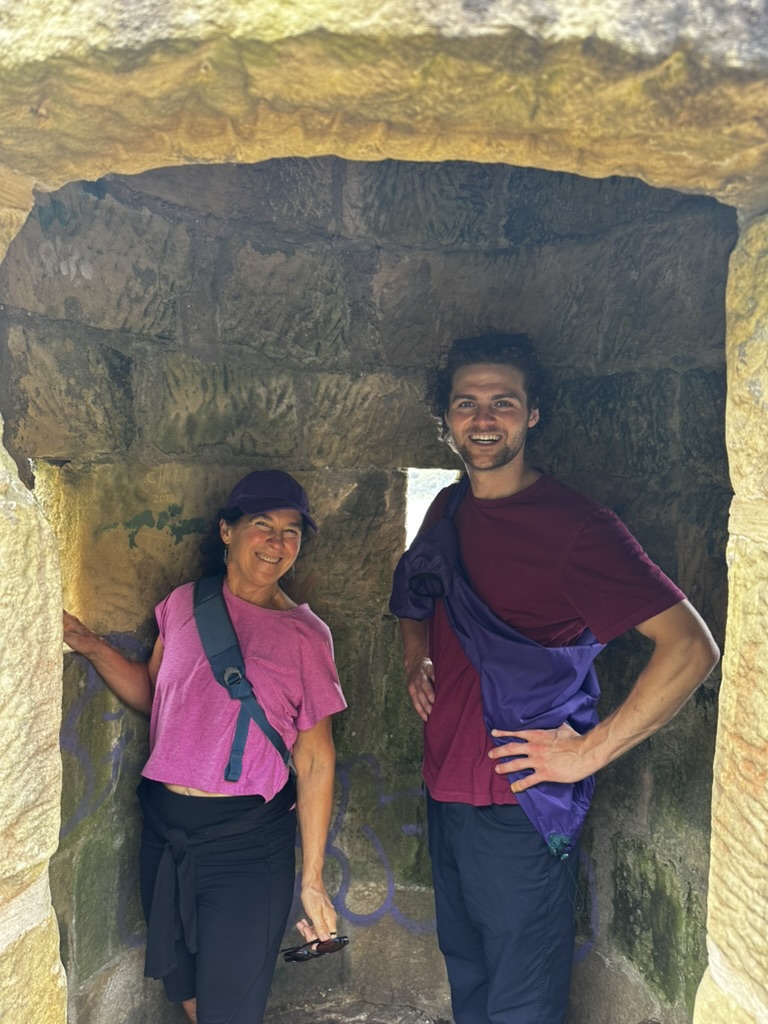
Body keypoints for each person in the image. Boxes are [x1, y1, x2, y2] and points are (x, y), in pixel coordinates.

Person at [389, 333, 719, 1024]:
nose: (484, 419)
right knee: (467, 972)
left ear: (532, 414)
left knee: (521, 999)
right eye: (467, 403)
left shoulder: (578, 528)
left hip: (521, 803)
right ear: (446, 417)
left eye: (503, 402)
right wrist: (417, 654)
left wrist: (588, 752)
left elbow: (690, 648)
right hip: (446, 783)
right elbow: (418, 589)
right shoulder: (448, 507)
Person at [63, 469, 347, 1024]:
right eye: (262, 524)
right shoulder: (183, 604)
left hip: (246, 846)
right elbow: (156, 696)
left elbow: (315, 760)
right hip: (164, 830)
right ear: (226, 530)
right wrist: (88, 644)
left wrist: (313, 881)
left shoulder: (306, 637)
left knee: (230, 1010)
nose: (277, 542)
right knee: (186, 987)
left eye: (291, 531)